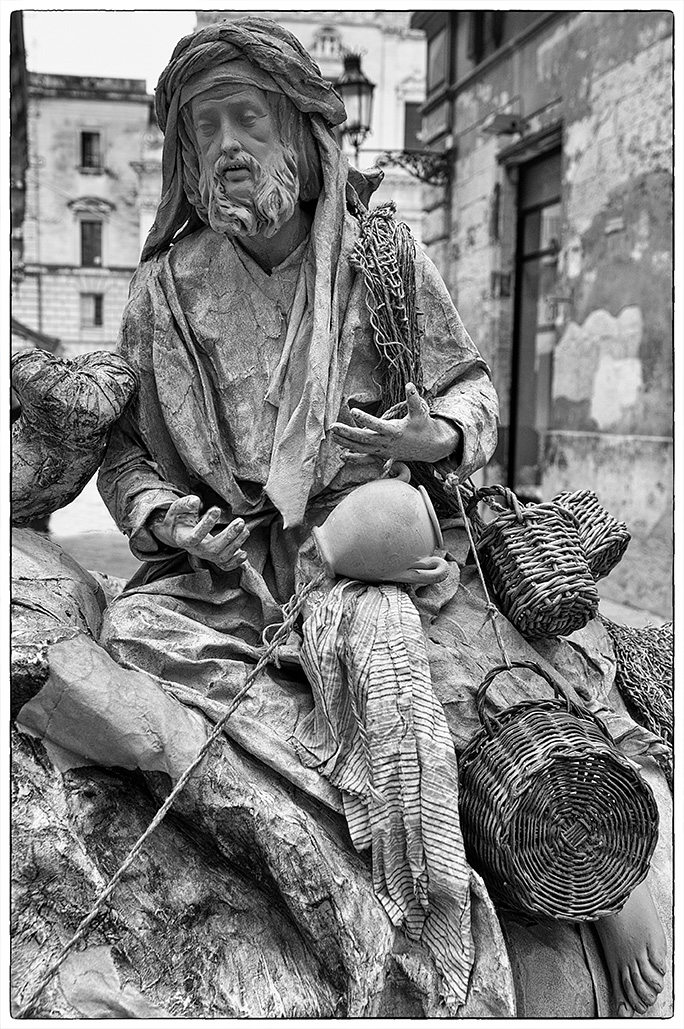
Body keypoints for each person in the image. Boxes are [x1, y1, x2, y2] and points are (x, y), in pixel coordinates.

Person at [96, 17, 668, 1018]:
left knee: (403, 662)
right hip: (232, 572)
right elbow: (127, 450)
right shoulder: (165, 292)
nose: (227, 144)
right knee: (133, 645)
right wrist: (166, 521)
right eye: (203, 127)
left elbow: (475, 388)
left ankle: (479, 923)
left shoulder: (379, 252)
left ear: (300, 134)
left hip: (384, 537)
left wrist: (435, 434)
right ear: (183, 157)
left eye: (247, 117)